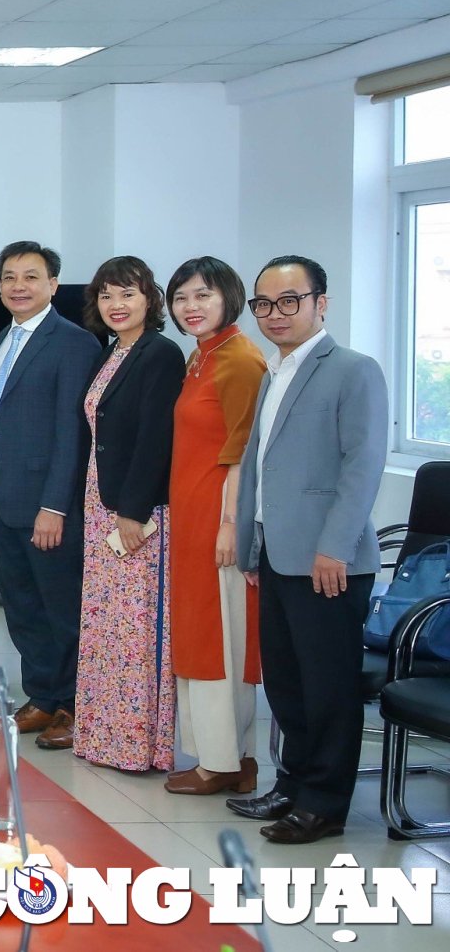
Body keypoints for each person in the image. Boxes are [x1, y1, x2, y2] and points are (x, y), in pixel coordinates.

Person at [228, 255, 387, 846]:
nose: (275, 314)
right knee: (287, 684)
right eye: (264, 304)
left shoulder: (352, 369)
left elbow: (362, 465)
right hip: (276, 552)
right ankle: (292, 783)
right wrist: (249, 542)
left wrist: (334, 548)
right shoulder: (275, 371)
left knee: (327, 688)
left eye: (289, 301)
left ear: (322, 302)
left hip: (328, 561)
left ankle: (324, 803)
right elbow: (259, 468)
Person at [0, 241, 100, 747]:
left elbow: (72, 433)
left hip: (47, 506)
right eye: (9, 277)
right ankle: (42, 696)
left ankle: (72, 705)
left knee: (60, 609)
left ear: (53, 284)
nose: (18, 286)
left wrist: (54, 505)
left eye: (31, 277)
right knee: (23, 609)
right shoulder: (5, 337)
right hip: (3, 500)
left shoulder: (73, 342)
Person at [71, 256, 184, 766]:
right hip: (102, 501)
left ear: (150, 300)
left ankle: (138, 744)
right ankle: (104, 736)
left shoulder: (160, 354)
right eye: (107, 295)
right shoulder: (114, 351)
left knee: (134, 629)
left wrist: (133, 510)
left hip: (132, 511)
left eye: (128, 295)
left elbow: (155, 437)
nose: (116, 305)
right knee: (105, 626)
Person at [163, 257, 266, 796]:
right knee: (205, 634)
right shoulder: (202, 356)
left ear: (228, 295)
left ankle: (225, 761)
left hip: (217, 519)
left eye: (202, 295)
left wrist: (231, 524)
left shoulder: (240, 360)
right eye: (181, 298)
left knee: (221, 637)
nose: (190, 307)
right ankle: (225, 755)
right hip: (191, 516)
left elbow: (244, 454)